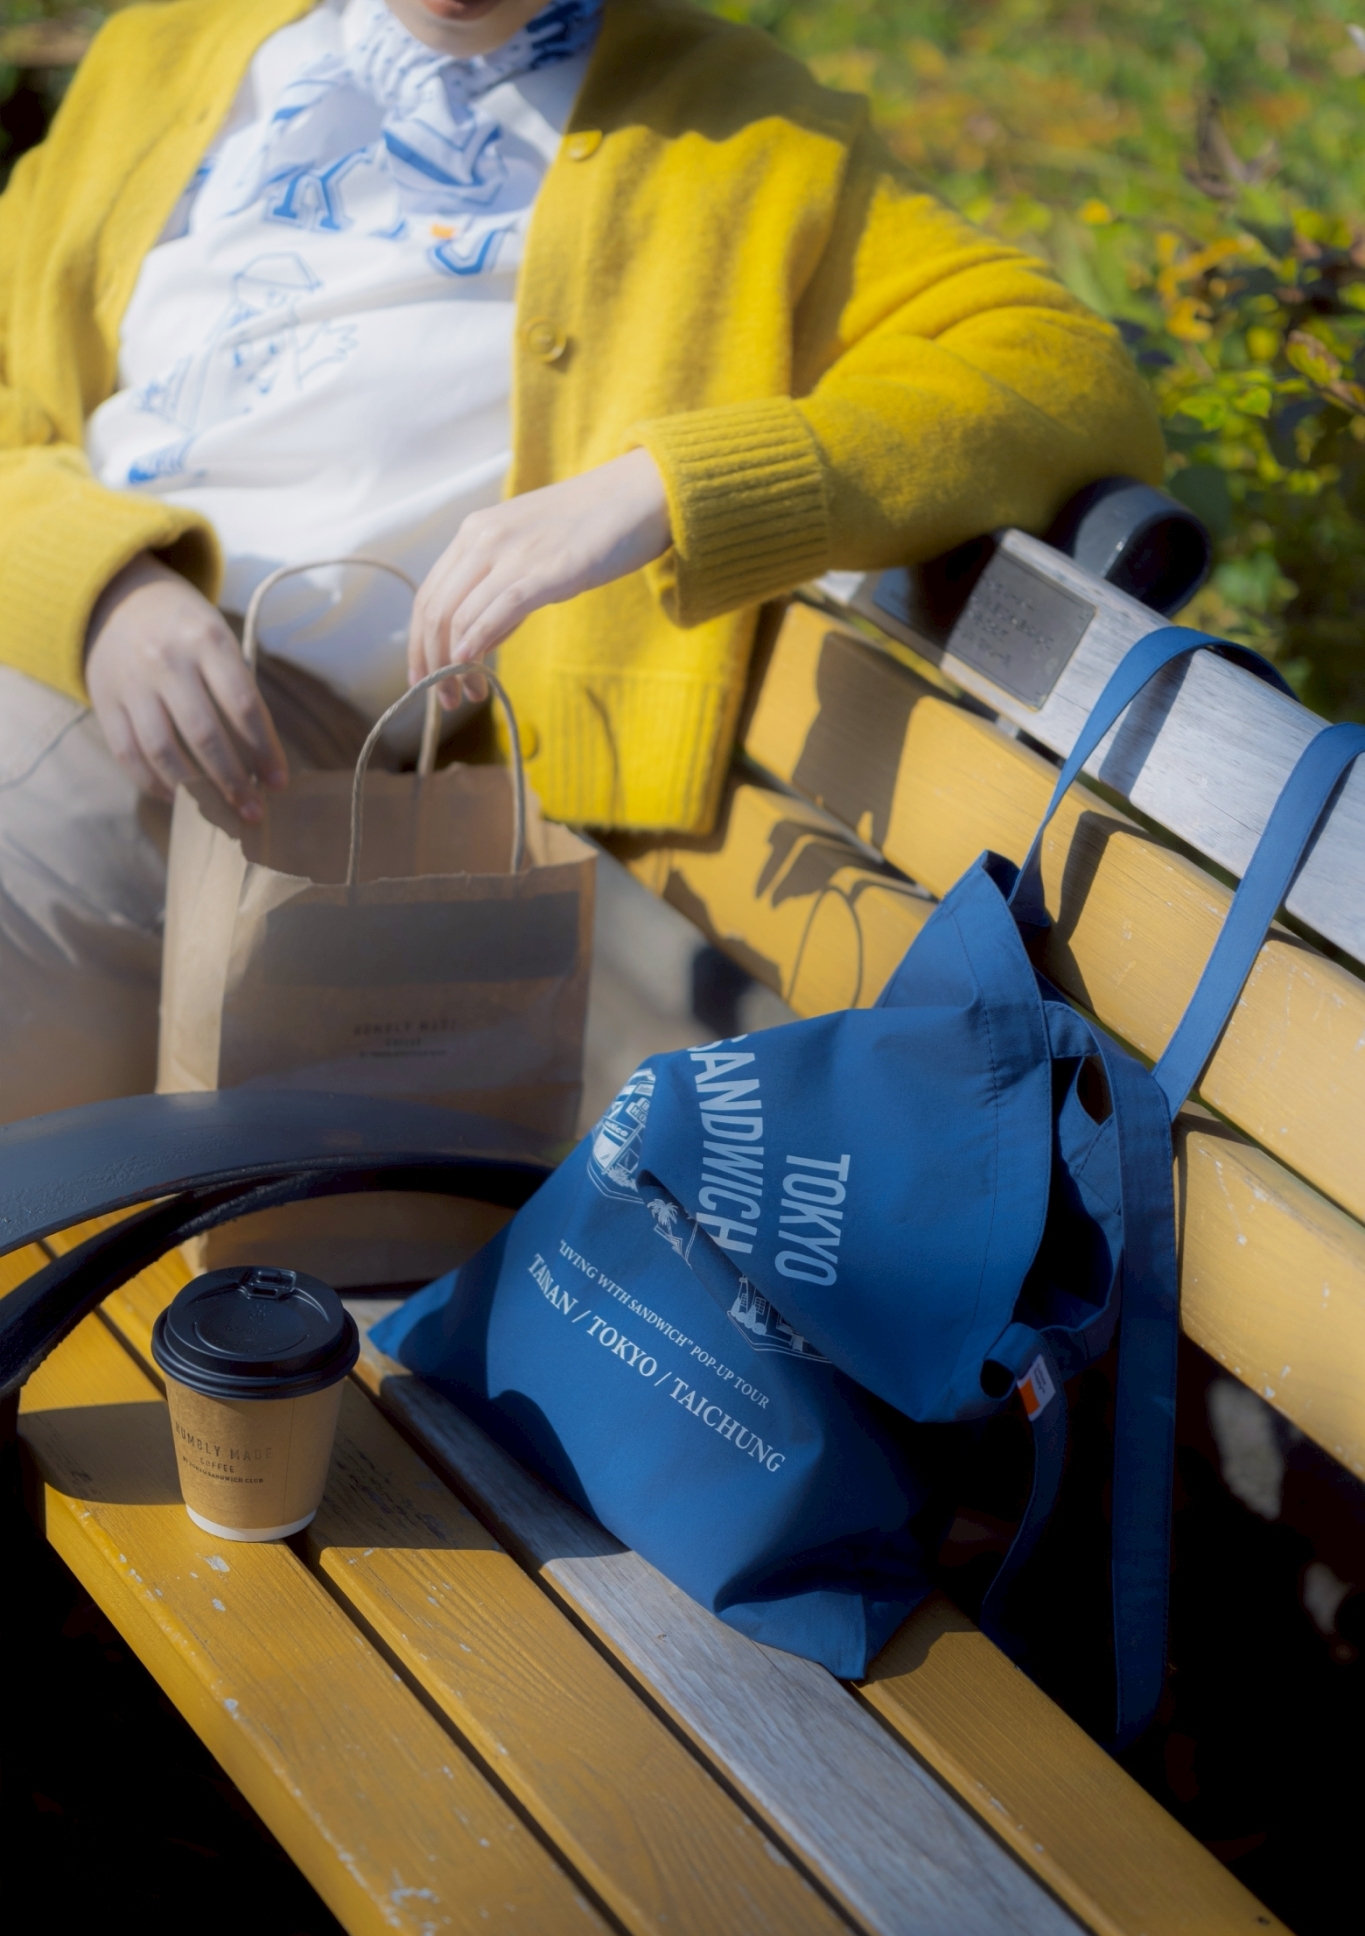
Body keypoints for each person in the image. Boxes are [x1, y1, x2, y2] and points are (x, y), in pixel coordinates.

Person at [0, 0, 1163, 1120]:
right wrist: (101, 586)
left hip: (245, 755)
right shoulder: (166, 53)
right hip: (58, 652)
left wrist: (663, 485)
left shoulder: (738, 126)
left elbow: (1061, 373)